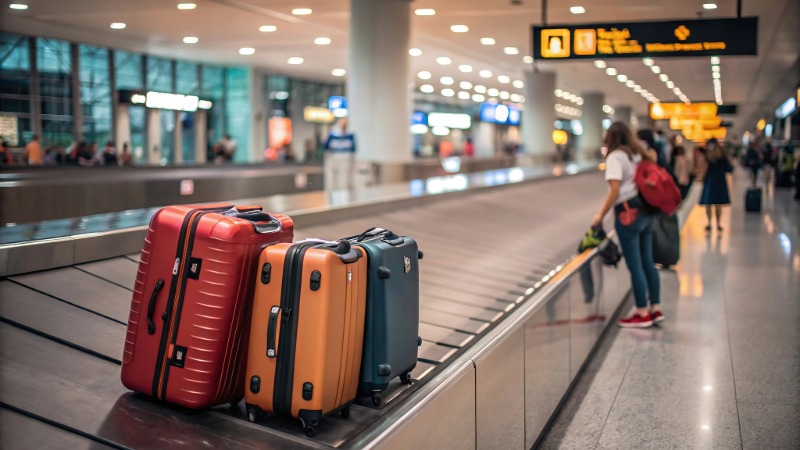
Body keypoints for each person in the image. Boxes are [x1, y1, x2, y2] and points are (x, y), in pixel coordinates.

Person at [591, 122, 661, 328]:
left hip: (628, 213)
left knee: (635, 264)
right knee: (648, 261)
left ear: (610, 139)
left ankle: (641, 312)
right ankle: (655, 308)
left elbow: (614, 191)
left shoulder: (615, 158)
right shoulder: (637, 154)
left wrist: (600, 216)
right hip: (646, 212)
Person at [699, 139, 733, 232]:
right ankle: (718, 223)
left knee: (708, 203)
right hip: (720, 180)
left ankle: (709, 223)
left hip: (710, 181)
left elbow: (703, 168)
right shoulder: (722, 156)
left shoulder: (708, 156)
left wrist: (702, 177)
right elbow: (729, 168)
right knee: (718, 204)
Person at [323, 118, 356, 191]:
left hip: (346, 163)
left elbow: (353, 149)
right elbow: (326, 147)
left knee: (344, 182)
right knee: (333, 182)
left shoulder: (350, 135)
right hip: (334, 162)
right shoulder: (333, 135)